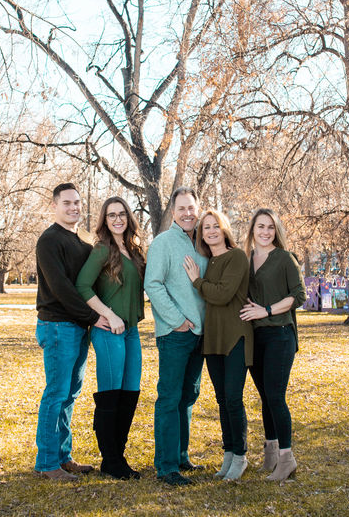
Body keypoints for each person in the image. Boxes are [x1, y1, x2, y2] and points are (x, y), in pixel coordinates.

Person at [75, 196, 147, 480]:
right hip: (108, 331)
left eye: (122, 214)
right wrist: (108, 315)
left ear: (129, 217)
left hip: (131, 331)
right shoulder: (102, 250)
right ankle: (110, 459)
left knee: (130, 391)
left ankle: (119, 455)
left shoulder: (134, 250)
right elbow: (82, 286)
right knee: (111, 393)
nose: (117, 219)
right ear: (105, 220)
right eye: (111, 215)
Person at [33, 183, 101, 481]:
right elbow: (61, 288)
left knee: (70, 394)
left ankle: (62, 457)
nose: (73, 208)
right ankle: (47, 464)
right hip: (58, 325)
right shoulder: (49, 240)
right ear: (54, 206)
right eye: (67, 203)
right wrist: (93, 317)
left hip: (77, 327)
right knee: (56, 393)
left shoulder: (80, 241)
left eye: (77, 203)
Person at [144, 187, 208, 486]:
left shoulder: (203, 242)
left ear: (198, 209)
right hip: (175, 333)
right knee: (170, 398)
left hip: (200, 334)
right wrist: (177, 320)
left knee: (188, 396)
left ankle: (181, 456)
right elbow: (153, 285)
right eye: (181, 208)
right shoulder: (163, 243)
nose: (187, 213)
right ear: (173, 212)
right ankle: (166, 466)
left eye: (191, 208)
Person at [183, 209, 252, 481]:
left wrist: (197, 281)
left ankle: (241, 456)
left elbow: (222, 295)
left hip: (235, 335)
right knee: (222, 399)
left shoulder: (237, 257)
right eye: (206, 227)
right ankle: (229, 453)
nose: (211, 231)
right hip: (213, 338)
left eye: (215, 226)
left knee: (233, 397)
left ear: (224, 230)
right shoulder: (208, 262)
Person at [239, 208, 306, 482]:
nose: (265, 232)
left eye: (270, 227)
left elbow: (299, 295)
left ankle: (287, 459)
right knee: (266, 396)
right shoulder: (246, 259)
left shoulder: (285, 259)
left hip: (280, 334)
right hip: (256, 337)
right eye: (260, 226)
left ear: (276, 231)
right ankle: (271, 453)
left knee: (276, 396)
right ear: (252, 230)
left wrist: (266, 310)